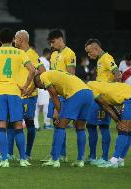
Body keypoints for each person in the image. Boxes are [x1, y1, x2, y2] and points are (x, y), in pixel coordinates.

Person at [0, 28, 36, 168]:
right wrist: (25, 86)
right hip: (15, 92)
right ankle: (23, 159)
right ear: (12, 40)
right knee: (17, 126)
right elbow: (33, 70)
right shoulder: (20, 52)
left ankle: (4, 160)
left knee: (1, 126)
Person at [34, 70, 93, 168]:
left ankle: (55, 159)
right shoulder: (56, 75)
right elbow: (60, 97)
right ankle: (80, 160)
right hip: (88, 93)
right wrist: (58, 113)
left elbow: (54, 96)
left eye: (41, 87)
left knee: (60, 126)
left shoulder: (43, 76)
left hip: (76, 94)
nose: (44, 89)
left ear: (39, 80)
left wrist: (59, 115)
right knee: (80, 128)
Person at [6, 29, 46, 159]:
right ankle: (10, 154)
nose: (13, 41)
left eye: (15, 39)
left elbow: (43, 72)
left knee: (28, 123)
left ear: (21, 40)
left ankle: (27, 154)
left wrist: (32, 86)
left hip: (28, 96)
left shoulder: (32, 55)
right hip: (16, 94)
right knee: (11, 123)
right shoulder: (17, 53)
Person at [87, 81, 131, 168]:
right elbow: (110, 105)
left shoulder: (90, 88)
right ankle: (120, 160)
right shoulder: (97, 85)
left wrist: (118, 121)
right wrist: (119, 119)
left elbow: (105, 106)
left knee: (123, 129)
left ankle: (114, 161)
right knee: (128, 129)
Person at [84, 38, 122, 166]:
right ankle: (92, 156)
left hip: (104, 98)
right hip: (96, 98)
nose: (89, 56)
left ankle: (105, 158)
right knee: (90, 126)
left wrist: (113, 91)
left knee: (103, 126)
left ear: (96, 48)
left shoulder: (107, 58)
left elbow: (117, 74)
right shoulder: (100, 60)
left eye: (89, 52)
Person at [42, 29, 76, 163]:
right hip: (54, 93)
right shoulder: (54, 54)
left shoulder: (70, 53)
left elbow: (72, 76)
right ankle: (60, 155)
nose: (51, 45)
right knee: (57, 124)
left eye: (52, 42)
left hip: (63, 93)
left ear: (60, 39)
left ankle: (56, 155)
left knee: (59, 123)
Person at [34, 48, 52, 130]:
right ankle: (47, 123)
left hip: (35, 84)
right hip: (43, 85)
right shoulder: (46, 62)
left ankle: (36, 125)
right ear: (48, 54)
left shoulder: (38, 59)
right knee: (46, 104)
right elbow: (46, 74)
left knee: (36, 106)